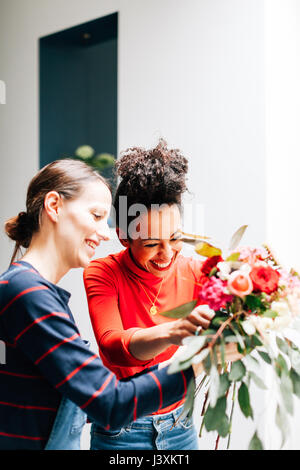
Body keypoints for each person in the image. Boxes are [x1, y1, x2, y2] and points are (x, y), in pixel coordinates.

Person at [0, 158, 207, 450]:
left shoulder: (30, 290)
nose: (105, 233)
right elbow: (109, 403)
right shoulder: (27, 294)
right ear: (54, 206)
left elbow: (82, 398)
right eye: (96, 216)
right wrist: (197, 361)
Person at [83, 140, 226, 450]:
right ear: (123, 236)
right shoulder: (103, 273)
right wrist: (175, 330)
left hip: (180, 426)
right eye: (150, 244)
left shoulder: (200, 270)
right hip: (121, 432)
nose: (165, 254)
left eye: (174, 238)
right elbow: (113, 348)